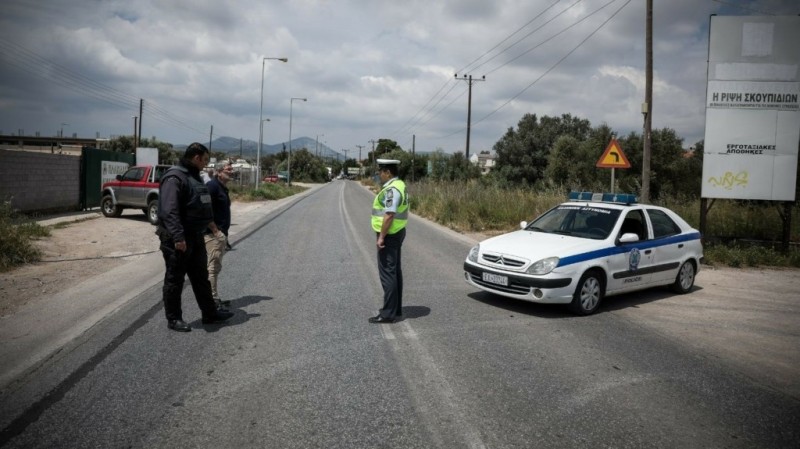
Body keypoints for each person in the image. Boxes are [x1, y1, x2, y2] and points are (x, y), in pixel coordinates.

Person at [156, 143, 234, 332]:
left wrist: (212, 228)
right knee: (175, 280)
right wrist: (178, 237)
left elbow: (202, 206)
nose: (206, 164)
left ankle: (210, 313)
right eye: (205, 160)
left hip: (195, 236)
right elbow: (169, 210)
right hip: (178, 239)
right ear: (196, 158)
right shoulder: (174, 177)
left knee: (201, 277)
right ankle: (174, 319)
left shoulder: (193, 177)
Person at [369, 159, 409, 324]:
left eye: (381, 172)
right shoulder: (400, 185)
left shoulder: (392, 190)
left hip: (390, 234)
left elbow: (389, 214)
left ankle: (387, 314)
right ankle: (396, 309)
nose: (379, 175)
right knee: (394, 272)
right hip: (397, 232)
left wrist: (381, 237)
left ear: (387, 172)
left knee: (388, 273)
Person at [204, 163, 233, 308]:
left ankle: (214, 298)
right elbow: (205, 209)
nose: (231, 172)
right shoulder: (212, 186)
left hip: (220, 234)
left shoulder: (222, 187)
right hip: (212, 235)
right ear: (219, 172)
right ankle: (213, 301)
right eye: (228, 170)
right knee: (213, 268)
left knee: (216, 267)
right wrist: (215, 231)